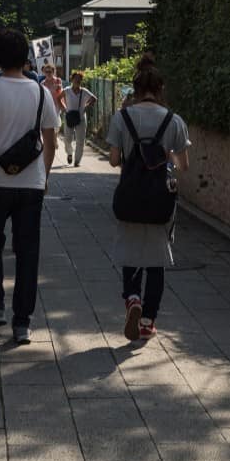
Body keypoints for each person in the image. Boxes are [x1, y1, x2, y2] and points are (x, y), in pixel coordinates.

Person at [0, 28, 59, 344]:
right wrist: (44, 175)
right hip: (30, 184)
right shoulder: (41, 93)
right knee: (27, 251)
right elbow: (50, 141)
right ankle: (22, 322)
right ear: (26, 58)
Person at [106, 55, 190, 342]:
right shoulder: (174, 120)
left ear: (136, 88)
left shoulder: (122, 117)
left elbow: (114, 160)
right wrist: (164, 157)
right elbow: (184, 165)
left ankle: (132, 298)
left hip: (130, 195)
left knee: (131, 251)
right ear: (161, 88)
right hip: (160, 200)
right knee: (157, 259)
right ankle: (148, 321)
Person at [61, 71, 97, 167]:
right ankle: (69, 153)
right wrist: (64, 108)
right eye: (76, 79)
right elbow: (58, 98)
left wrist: (86, 106)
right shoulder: (67, 90)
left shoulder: (84, 91)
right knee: (67, 139)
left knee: (80, 140)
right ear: (72, 79)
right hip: (69, 117)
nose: (78, 81)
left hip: (81, 118)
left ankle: (77, 161)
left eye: (79, 79)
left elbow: (94, 98)